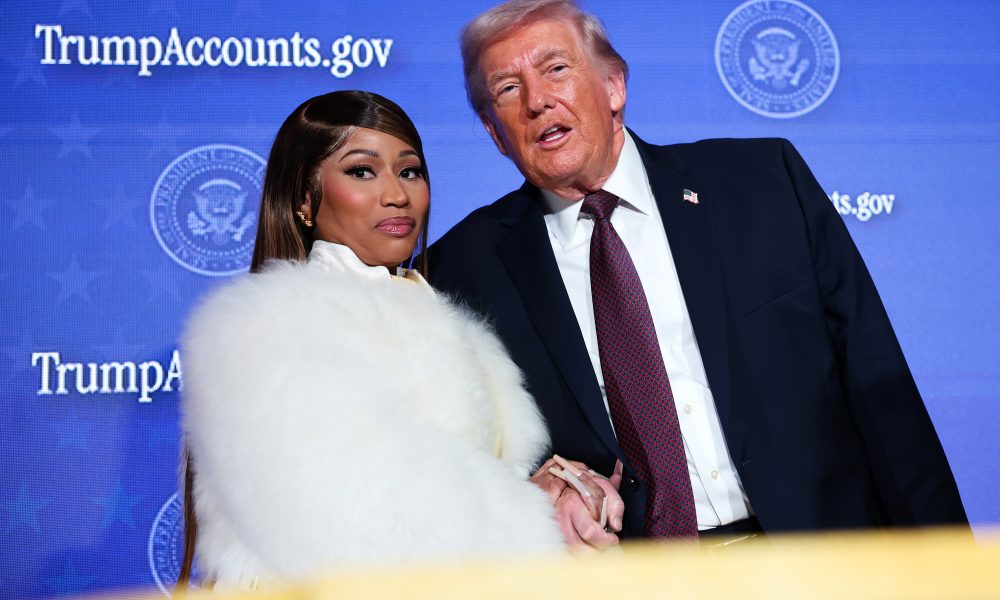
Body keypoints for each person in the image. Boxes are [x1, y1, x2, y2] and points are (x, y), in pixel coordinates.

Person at [428, 0, 968, 546]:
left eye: (556, 69)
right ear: (496, 134)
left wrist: (951, 569)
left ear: (614, 87)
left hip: (823, 557)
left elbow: (882, 396)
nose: (537, 101)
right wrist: (530, 491)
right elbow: (467, 458)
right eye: (507, 89)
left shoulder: (761, 183)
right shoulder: (466, 266)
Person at [178, 90, 569, 592]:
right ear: (303, 198)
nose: (397, 195)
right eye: (362, 171)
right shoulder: (269, 329)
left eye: (409, 171)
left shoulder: (442, 320)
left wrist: (563, 490)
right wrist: (538, 512)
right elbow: (373, 530)